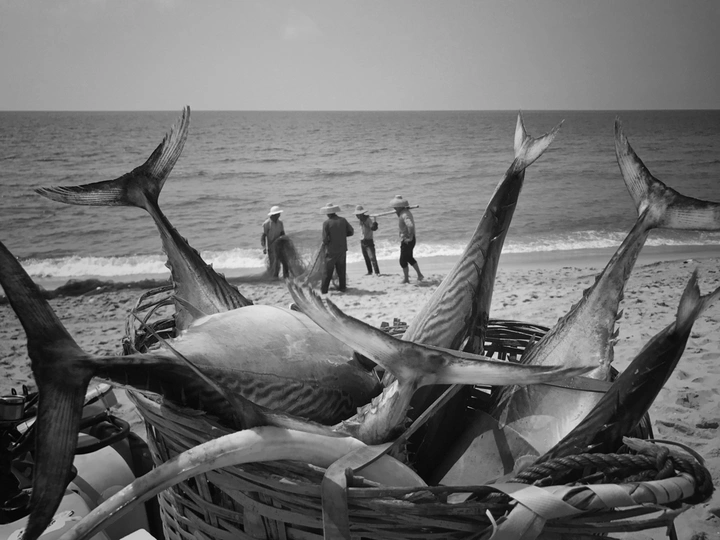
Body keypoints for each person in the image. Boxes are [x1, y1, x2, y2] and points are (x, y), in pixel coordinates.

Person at [320, 202, 354, 294]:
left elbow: (324, 239)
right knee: (341, 270)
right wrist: (341, 236)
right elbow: (351, 232)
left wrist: (328, 241)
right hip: (342, 249)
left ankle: (324, 290)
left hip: (331, 251)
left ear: (328, 213)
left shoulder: (326, 223)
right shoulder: (343, 220)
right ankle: (343, 288)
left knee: (327, 272)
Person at [390, 195, 424, 284]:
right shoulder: (404, 213)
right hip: (410, 240)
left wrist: (410, 237)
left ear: (399, 207)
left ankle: (406, 279)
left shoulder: (404, 214)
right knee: (409, 258)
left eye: (395, 208)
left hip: (407, 240)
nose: (394, 209)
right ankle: (419, 275)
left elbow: (410, 226)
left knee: (402, 261)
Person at [260, 205, 289, 279]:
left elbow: (282, 233)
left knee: (285, 263)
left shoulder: (280, 223)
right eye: (278, 214)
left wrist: (286, 243)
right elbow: (263, 236)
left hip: (280, 246)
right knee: (275, 265)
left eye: (279, 214)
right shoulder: (266, 224)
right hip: (272, 248)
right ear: (273, 215)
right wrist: (264, 247)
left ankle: (286, 278)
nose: (279, 215)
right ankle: (275, 279)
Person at [354, 204, 380, 276]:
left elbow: (372, 228)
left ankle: (377, 272)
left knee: (372, 257)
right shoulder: (360, 221)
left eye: (358, 215)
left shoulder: (368, 220)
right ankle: (369, 271)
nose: (357, 216)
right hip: (362, 241)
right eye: (356, 215)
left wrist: (375, 225)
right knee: (366, 257)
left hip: (368, 241)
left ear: (362, 214)